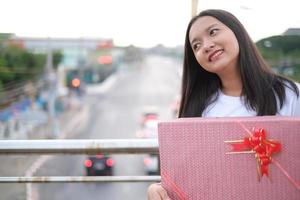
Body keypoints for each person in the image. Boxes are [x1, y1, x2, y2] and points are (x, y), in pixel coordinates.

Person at [147, 9, 300, 199]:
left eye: (213, 32)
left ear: (237, 31)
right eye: (196, 45)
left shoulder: (291, 94)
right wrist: (157, 189)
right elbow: (187, 173)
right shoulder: (199, 109)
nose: (206, 46)